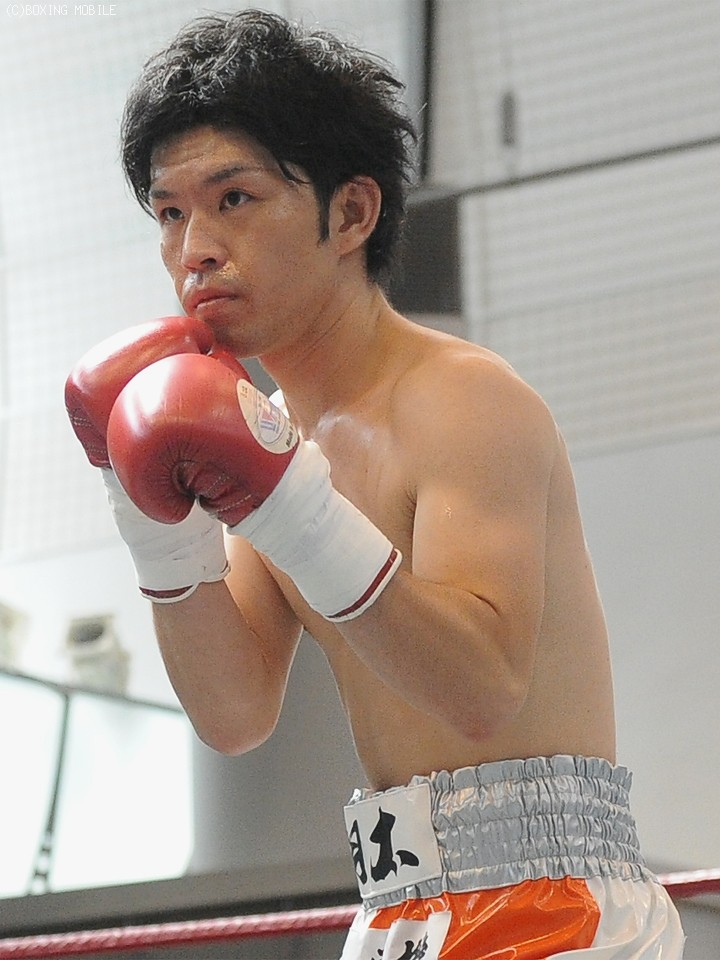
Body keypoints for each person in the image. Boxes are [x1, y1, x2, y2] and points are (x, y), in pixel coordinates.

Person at [65, 10, 684, 958]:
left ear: (351, 213)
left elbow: (481, 688)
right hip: (398, 911)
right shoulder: (272, 441)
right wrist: (151, 519)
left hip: (550, 903)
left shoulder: (462, 398)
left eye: (234, 198)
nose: (196, 247)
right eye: (170, 212)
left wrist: (292, 508)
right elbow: (233, 714)